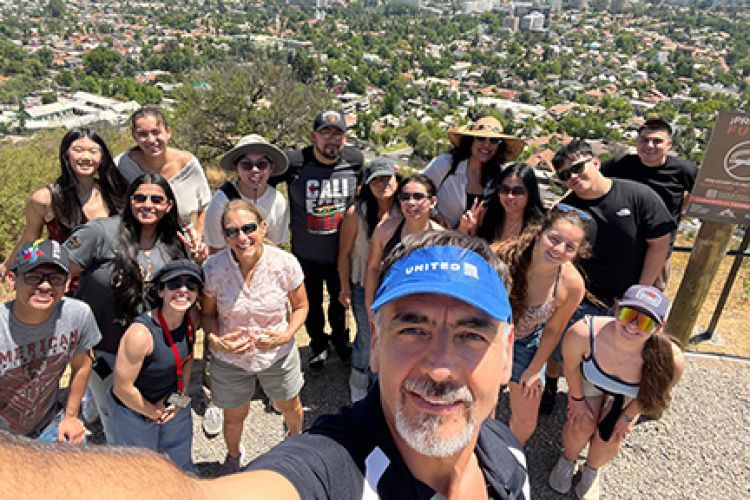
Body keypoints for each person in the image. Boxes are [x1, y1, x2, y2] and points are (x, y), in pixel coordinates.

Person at [0, 231, 530, 499]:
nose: (439, 367)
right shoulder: (332, 471)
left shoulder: (506, 456)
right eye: (412, 328)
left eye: (470, 333)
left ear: (507, 350)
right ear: (375, 337)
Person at [63, 173, 205, 441]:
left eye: (156, 199)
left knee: (169, 411)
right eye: (139, 197)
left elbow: (190, 294)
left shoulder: (176, 243)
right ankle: (127, 468)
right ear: (128, 201)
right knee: (117, 417)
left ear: (169, 206)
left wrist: (198, 262)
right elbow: (57, 273)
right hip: (106, 350)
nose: (147, 204)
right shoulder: (100, 232)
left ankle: (166, 466)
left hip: (162, 351)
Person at [540, 140, 675, 415]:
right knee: (560, 350)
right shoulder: (567, 209)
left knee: (623, 354)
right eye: (565, 175)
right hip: (581, 297)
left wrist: (640, 292)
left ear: (596, 162)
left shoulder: (638, 195)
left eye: (578, 168)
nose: (574, 177)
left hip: (628, 299)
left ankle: (615, 402)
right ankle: (552, 385)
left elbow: (660, 242)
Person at [201, 200, 308, 475]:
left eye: (248, 228)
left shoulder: (284, 263)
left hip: (277, 354)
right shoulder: (213, 268)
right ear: (224, 237)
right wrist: (215, 339)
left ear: (263, 227)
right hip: (231, 359)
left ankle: (296, 444)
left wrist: (286, 334)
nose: (241, 237)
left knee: (289, 405)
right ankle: (234, 456)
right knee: (234, 415)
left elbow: (301, 306)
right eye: (232, 231)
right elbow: (208, 315)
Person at [548, 285, 684, 500]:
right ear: (617, 309)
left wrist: (628, 416)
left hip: (629, 393)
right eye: (629, 314)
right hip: (592, 381)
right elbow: (571, 367)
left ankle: (592, 469)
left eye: (646, 322)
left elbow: (653, 391)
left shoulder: (671, 360)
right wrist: (576, 399)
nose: (632, 326)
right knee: (580, 424)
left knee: (611, 435)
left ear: (659, 328)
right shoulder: (584, 333)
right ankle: (568, 459)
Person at [274, 110, 364, 373]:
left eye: (338, 135)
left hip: (341, 254)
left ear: (345, 139)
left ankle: (341, 342)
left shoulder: (354, 161)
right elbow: (261, 183)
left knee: (340, 302)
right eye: (326, 133)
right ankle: (318, 345)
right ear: (314, 136)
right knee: (311, 304)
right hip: (306, 253)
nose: (332, 141)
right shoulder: (295, 163)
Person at [494, 205, 589, 444]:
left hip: (526, 343)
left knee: (526, 419)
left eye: (570, 247)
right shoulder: (502, 256)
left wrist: (535, 368)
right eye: (554, 239)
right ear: (539, 233)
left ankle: (509, 457)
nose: (558, 250)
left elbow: (553, 330)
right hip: (489, 336)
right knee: (482, 404)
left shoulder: (572, 285)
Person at [0, 240, 101, 443]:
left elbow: (82, 364)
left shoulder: (77, 315)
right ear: (12, 279)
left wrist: (71, 417)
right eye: (33, 277)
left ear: (67, 283)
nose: (45, 286)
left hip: (46, 428)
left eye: (55, 278)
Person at [109, 260, 203, 472]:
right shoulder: (140, 334)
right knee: (141, 469)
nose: (183, 290)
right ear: (160, 291)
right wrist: (152, 412)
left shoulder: (190, 320)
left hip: (170, 400)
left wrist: (180, 398)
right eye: (174, 284)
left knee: (179, 464)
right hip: (134, 409)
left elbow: (187, 359)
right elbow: (122, 388)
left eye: (191, 285)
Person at [0, 128, 127, 280]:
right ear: (66, 154)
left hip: (113, 282)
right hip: (65, 283)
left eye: (93, 151)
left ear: (103, 157)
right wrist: (8, 266)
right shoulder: (46, 199)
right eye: (78, 150)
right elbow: (30, 238)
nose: (86, 157)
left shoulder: (116, 193)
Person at [601, 118, 699, 289]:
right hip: (618, 242)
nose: (650, 146)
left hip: (659, 247)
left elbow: (697, 194)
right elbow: (592, 180)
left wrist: (682, 208)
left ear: (669, 144)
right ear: (637, 142)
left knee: (648, 297)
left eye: (657, 141)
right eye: (644, 140)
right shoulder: (621, 165)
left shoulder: (684, 171)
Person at [337, 157, 400, 402]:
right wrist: (344, 287)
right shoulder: (357, 213)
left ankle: (379, 381)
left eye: (387, 178)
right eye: (376, 180)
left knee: (388, 335)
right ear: (368, 184)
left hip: (393, 286)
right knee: (366, 335)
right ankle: (359, 379)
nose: (382, 184)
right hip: (362, 284)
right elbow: (343, 254)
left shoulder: (404, 210)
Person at [116, 107, 211, 230]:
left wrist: (198, 236)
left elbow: (206, 205)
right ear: (134, 136)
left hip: (181, 241)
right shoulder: (122, 165)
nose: (151, 140)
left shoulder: (187, 165)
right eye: (143, 134)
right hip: (134, 239)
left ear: (168, 132)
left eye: (156, 132)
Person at [422, 116, 525, 229]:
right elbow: (417, 190)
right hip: (432, 235)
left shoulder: (497, 177)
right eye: (481, 138)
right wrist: (435, 215)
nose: (486, 144)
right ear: (471, 141)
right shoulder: (446, 163)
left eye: (493, 140)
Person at [364, 175, 443, 315]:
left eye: (418, 196)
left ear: (432, 202)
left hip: (426, 309)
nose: (411, 202)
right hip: (390, 304)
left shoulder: (441, 239)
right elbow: (373, 269)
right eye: (405, 197)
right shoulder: (385, 230)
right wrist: (370, 306)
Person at [204, 134, 290, 252]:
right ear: (236, 168)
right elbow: (215, 249)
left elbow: (277, 247)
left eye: (261, 165)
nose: (255, 170)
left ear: (271, 168)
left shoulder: (277, 200)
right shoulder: (220, 202)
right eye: (246, 165)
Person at [461, 163, 544, 245]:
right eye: (505, 189)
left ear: (530, 193)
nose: (510, 196)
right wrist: (467, 229)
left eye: (517, 191)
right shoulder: (485, 215)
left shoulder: (539, 227)